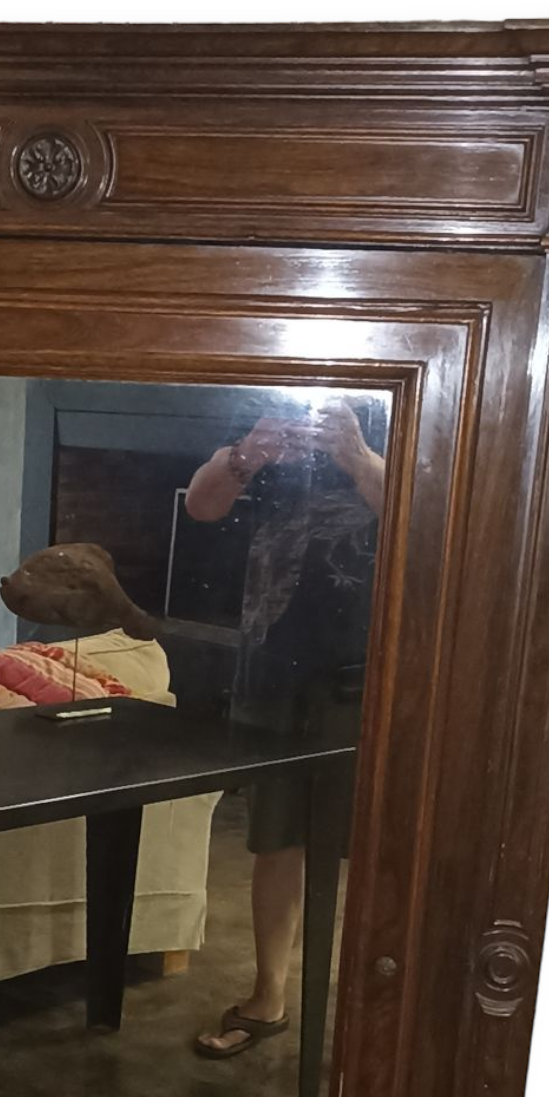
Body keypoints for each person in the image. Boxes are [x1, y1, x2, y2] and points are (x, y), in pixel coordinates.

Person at [184, 396, 387, 1059]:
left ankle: (380, 1007)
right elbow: (202, 505)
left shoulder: (399, 404)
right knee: (278, 837)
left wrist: (355, 455)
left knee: (382, 846)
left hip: (369, 669)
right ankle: (268, 997)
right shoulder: (264, 411)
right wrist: (248, 454)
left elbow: (432, 521)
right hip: (272, 660)